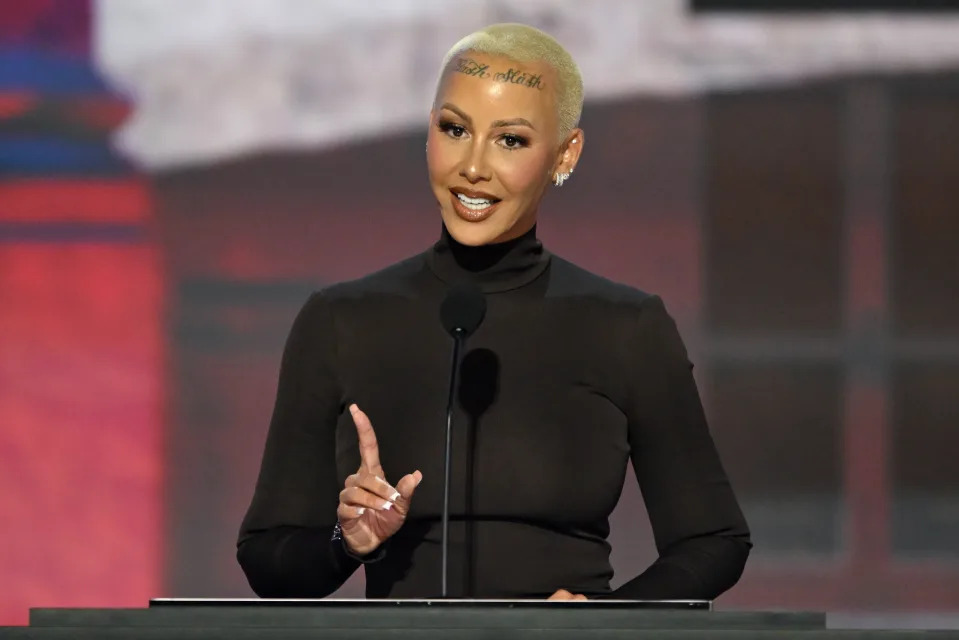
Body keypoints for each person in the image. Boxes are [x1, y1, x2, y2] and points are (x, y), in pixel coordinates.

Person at [237, 23, 750, 601]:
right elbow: (267, 556)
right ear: (426, 132)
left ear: (565, 154)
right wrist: (348, 542)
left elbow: (714, 539)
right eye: (455, 129)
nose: (472, 167)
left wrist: (606, 620)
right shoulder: (340, 321)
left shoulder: (625, 328)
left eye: (510, 140)